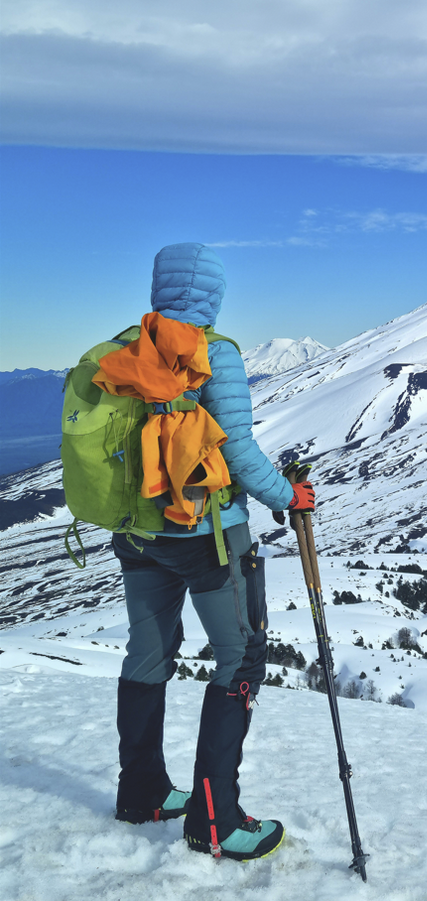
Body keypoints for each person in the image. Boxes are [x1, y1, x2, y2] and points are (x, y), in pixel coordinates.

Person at [112, 242, 314, 861]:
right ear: (213, 293)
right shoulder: (212, 353)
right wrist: (290, 496)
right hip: (209, 539)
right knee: (240, 659)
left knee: (147, 653)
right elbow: (238, 451)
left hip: (137, 535)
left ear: (159, 287)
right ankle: (214, 820)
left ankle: (142, 793)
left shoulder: (125, 350)